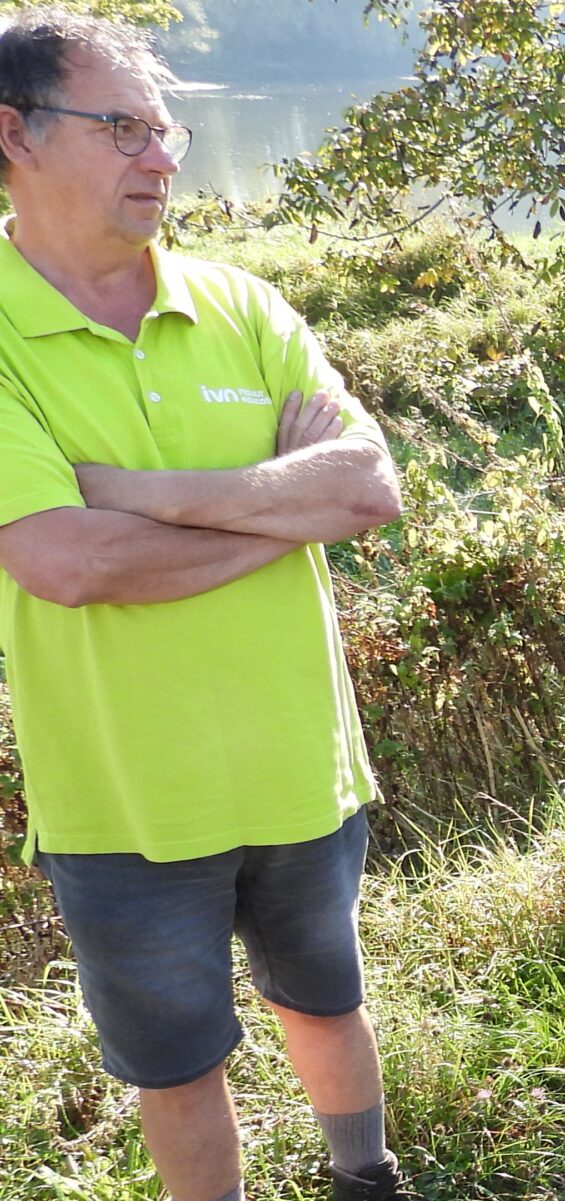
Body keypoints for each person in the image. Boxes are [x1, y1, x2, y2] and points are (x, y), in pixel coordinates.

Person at [0, 11, 408, 1200]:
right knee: (177, 1066)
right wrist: (280, 517)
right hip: (125, 796)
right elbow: (66, 563)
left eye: (165, 126)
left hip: (298, 763)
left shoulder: (242, 302)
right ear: (13, 134)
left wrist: (152, 499)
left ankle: (366, 1180)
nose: (163, 156)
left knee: (330, 1004)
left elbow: (367, 487)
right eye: (122, 126)